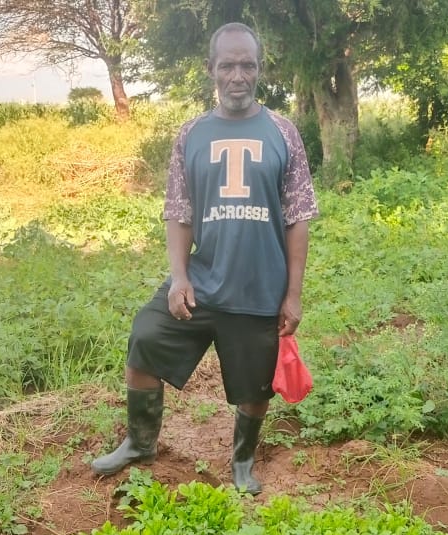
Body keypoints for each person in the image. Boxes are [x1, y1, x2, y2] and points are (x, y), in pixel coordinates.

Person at [92, 21, 318, 495]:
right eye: (228, 65)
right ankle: (140, 442)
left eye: (248, 65)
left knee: (256, 386)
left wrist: (293, 295)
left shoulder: (283, 132)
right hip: (203, 281)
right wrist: (178, 277)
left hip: (260, 290)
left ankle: (242, 462)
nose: (239, 75)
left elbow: (298, 217)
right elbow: (180, 210)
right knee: (146, 337)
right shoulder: (191, 133)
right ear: (211, 70)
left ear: (259, 69)